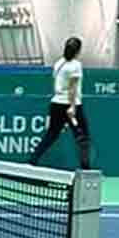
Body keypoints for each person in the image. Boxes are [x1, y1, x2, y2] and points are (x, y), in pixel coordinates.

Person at [29, 36, 93, 170]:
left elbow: (56, 83)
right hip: (70, 105)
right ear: (78, 51)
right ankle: (86, 170)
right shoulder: (75, 65)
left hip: (56, 104)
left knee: (52, 134)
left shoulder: (59, 63)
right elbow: (73, 88)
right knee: (83, 137)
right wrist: (72, 107)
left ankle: (32, 161)